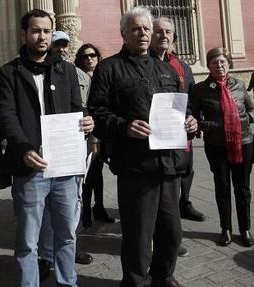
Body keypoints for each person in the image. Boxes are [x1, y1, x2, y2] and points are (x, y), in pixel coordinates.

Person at [87, 6, 197, 287]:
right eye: (136, 28)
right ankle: (136, 281)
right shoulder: (109, 68)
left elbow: (180, 109)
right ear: (124, 33)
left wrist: (189, 122)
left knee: (171, 231)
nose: (143, 33)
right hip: (135, 166)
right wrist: (125, 127)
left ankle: (164, 275)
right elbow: (97, 113)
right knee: (138, 233)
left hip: (169, 164)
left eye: (146, 28)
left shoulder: (166, 69)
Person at [0, 9, 94, 286]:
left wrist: (88, 121)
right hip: (30, 168)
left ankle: (67, 282)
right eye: (36, 30)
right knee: (28, 241)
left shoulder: (66, 71)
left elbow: (78, 108)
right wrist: (24, 149)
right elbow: (7, 116)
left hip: (64, 168)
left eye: (47, 31)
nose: (42, 36)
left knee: (66, 235)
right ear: (24, 34)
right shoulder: (10, 72)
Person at [150, 17, 205, 258]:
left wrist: (194, 120)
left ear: (174, 38)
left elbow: (190, 99)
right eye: (158, 32)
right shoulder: (147, 64)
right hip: (156, 142)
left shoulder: (183, 66)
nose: (164, 36)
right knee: (159, 196)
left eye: (169, 33)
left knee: (184, 177)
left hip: (182, 138)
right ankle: (158, 241)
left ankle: (184, 209)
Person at [191, 48, 254, 248]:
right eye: (214, 63)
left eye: (222, 62)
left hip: (243, 143)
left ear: (228, 63)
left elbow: (252, 110)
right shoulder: (201, 89)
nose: (219, 66)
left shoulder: (239, 85)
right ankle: (226, 228)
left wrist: (244, 120)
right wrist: (212, 126)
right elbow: (194, 117)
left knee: (243, 188)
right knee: (222, 187)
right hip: (216, 145)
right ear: (209, 66)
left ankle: (245, 228)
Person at [74, 43, 115, 228]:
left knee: (98, 173)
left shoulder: (106, 75)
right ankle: (86, 211)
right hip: (88, 133)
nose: (89, 58)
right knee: (88, 174)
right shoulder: (76, 77)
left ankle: (99, 207)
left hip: (104, 131)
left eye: (92, 55)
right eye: (85, 56)